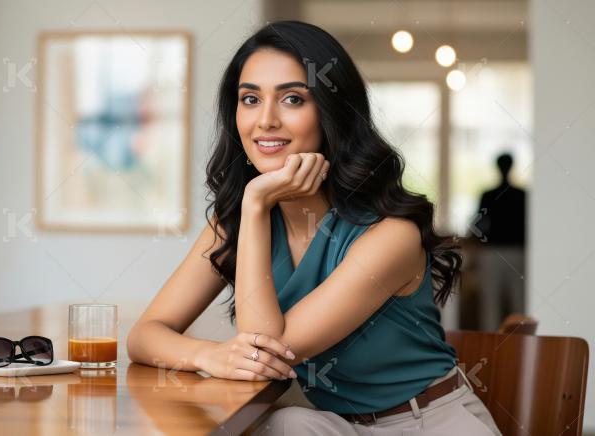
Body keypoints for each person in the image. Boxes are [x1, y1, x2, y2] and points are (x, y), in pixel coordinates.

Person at [127, 21, 501, 435]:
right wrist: (207, 356)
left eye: (292, 98)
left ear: (331, 112)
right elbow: (144, 336)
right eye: (250, 99)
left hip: (428, 422)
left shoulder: (392, 235)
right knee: (281, 425)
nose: (265, 120)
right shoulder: (236, 223)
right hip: (341, 425)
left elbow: (267, 351)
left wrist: (256, 202)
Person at [473, 153, 526, 331]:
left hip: (494, 252)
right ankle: (521, 338)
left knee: (491, 301)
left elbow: (477, 224)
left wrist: (480, 240)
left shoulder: (488, 195)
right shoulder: (522, 195)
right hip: (516, 252)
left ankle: (492, 340)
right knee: (518, 300)